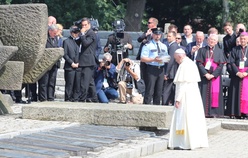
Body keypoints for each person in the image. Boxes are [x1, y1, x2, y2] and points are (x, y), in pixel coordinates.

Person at [168, 48, 208, 150]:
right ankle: (195, 142)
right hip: (194, 95)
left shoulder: (184, 65)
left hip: (185, 96)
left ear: (180, 56)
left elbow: (182, 84)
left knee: (184, 117)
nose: (176, 61)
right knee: (194, 118)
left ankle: (184, 142)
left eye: (176, 59)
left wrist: (177, 99)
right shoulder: (191, 63)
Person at [195, 34, 227, 117]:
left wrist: (213, 75)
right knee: (203, 94)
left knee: (215, 94)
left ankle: (214, 113)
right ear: (207, 40)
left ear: (216, 42)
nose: (212, 41)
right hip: (204, 76)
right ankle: (203, 112)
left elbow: (221, 65)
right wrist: (205, 74)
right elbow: (199, 63)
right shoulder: (202, 50)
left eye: (214, 40)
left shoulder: (220, 51)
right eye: (210, 39)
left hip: (215, 77)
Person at [141, 27, 169, 105]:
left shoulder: (163, 46)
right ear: (153, 35)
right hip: (151, 68)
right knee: (150, 90)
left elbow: (166, 58)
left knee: (159, 91)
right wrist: (154, 60)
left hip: (161, 69)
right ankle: (146, 106)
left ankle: (157, 107)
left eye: (159, 34)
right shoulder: (148, 45)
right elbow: (143, 58)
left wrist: (164, 59)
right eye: (156, 34)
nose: (157, 36)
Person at [226, 32, 248, 119]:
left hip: (246, 75)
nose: (243, 40)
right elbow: (231, 62)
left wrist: (246, 73)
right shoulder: (234, 49)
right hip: (237, 76)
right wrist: (237, 72)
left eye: (244, 39)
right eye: (241, 39)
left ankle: (245, 113)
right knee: (236, 94)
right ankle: (236, 113)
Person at [38, 24, 60, 102]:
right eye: (54, 33)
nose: (55, 34)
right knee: (44, 82)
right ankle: (43, 97)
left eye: (56, 33)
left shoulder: (56, 38)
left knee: (52, 81)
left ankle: (50, 97)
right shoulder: (45, 38)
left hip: (54, 63)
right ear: (50, 31)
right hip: (45, 63)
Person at [78, 17, 97, 102]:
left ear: (89, 25)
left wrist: (82, 34)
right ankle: (94, 98)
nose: (84, 27)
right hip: (85, 60)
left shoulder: (91, 33)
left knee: (85, 81)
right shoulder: (86, 34)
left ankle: (82, 98)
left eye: (85, 25)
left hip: (88, 61)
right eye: (82, 25)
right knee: (90, 81)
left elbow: (85, 43)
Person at [63, 25, 81, 102]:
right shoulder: (66, 41)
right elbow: (65, 54)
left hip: (78, 65)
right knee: (69, 83)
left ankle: (76, 98)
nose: (76, 34)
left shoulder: (80, 41)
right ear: (71, 33)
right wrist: (71, 63)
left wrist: (79, 63)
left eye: (77, 32)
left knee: (77, 84)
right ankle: (68, 98)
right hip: (70, 66)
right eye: (74, 32)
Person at [162, 31, 179, 105]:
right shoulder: (171, 45)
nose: (168, 38)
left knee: (166, 89)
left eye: (170, 36)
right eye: (167, 36)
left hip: (171, 72)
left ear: (174, 38)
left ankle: (164, 103)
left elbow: (171, 60)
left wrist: (166, 73)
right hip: (172, 71)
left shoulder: (173, 46)